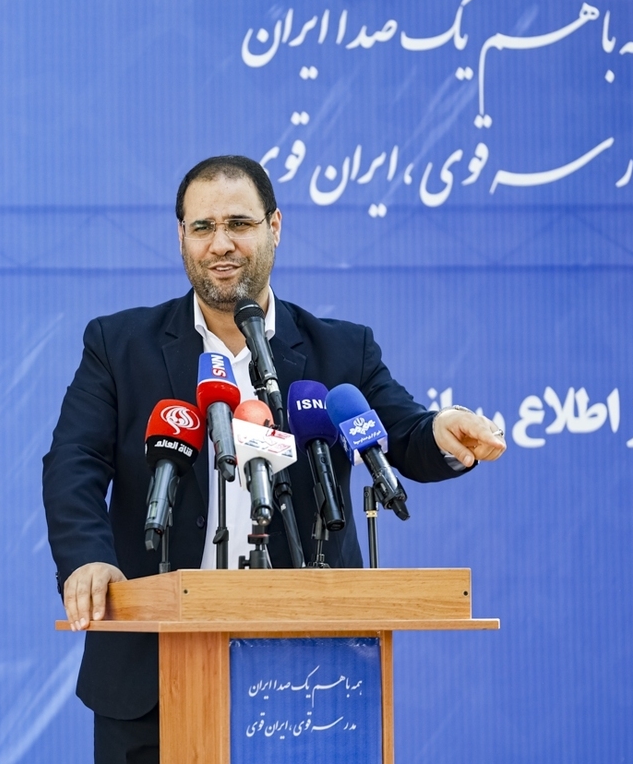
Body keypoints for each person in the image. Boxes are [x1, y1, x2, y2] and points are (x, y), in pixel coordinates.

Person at [41, 155, 506, 764]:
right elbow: (73, 460)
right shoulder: (118, 345)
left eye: (239, 223)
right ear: (181, 236)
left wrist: (443, 432)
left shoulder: (342, 349)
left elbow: (405, 433)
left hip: (311, 675)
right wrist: (87, 559)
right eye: (203, 227)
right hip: (151, 676)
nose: (221, 244)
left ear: (275, 227)